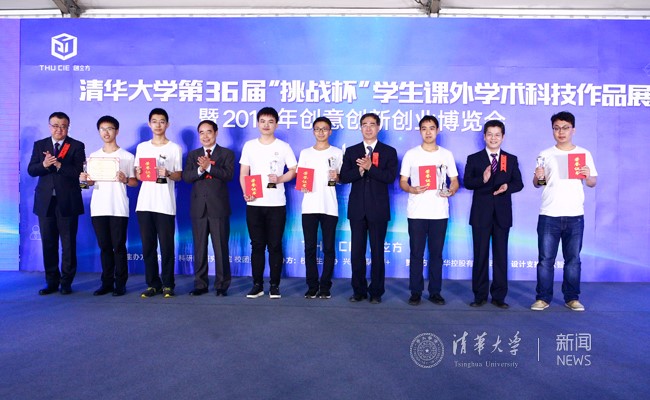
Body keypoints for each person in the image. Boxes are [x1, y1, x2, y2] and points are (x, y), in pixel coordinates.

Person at [531, 111, 597, 312]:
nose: (561, 132)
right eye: (557, 128)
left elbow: (592, 182)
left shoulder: (584, 154)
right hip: (549, 214)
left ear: (573, 130)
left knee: (573, 260)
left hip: (575, 215)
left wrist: (587, 175)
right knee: (545, 260)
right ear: (552, 130)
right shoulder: (545, 154)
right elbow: (538, 184)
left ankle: (572, 298)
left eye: (565, 128)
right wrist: (538, 176)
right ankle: (543, 298)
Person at [399, 115, 459, 306]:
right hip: (416, 212)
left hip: (439, 212)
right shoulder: (411, 154)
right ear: (420, 131)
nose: (428, 132)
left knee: (436, 254)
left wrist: (451, 190)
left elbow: (455, 180)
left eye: (431, 128)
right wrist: (412, 189)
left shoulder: (446, 154)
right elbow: (403, 181)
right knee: (416, 253)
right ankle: (415, 292)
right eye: (424, 128)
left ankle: (435, 292)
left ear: (437, 130)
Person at [464, 120, 523, 309]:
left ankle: (499, 296)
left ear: (503, 137)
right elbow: (467, 182)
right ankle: (479, 295)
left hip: (502, 215)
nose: (493, 138)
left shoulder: (510, 159)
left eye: (497, 134)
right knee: (480, 255)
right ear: (484, 136)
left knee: (500, 256)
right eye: (490, 134)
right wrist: (482, 179)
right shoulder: (474, 158)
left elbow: (519, 183)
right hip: (481, 214)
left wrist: (507, 187)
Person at [340, 112, 398, 304]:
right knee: (357, 252)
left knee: (377, 252)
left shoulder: (389, 151)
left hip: (378, 209)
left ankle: (376, 292)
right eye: (364, 124)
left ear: (378, 127)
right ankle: (358, 291)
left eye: (372, 124)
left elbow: (389, 177)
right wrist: (360, 170)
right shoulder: (352, 151)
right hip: (357, 209)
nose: (368, 128)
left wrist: (370, 167)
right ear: (360, 128)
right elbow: (344, 177)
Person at [239, 107, 297, 299]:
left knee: (275, 245)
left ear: (276, 125)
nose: (266, 125)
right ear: (257, 123)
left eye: (270, 121)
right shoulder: (249, 146)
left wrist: (280, 179)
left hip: (276, 204)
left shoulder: (284, 147)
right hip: (254, 203)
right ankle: (257, 285)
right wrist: (246, 192)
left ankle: (274, 285)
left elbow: (293, 170)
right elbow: (243, 173)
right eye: (262, 121)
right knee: (257, 245)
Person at [28, 111, 85, 295]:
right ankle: (51, 281)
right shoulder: (40, 145)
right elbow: (31, 170)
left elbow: (78, 172)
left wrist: (60, 166)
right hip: (45, 202)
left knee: (68, 244)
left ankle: (66, 282)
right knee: (48, 243)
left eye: (63, 126)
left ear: (68, 127)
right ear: (49, 126)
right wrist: (44, 165)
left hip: (68, 201)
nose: (59, 129)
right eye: (55, 126)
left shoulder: (76, 145)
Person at [80, 116, 138, 297]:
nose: (106, 132)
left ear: (117, 131)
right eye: (102, 129)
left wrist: (125, 179)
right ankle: (106, 282)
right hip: (98, 208)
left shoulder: (127, 156)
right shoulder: (93, 157)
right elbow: (88, 184)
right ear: (99, 132)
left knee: (119, 247)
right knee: (104, 247)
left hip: (118, 207)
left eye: (110, 128)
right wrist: (84, 181)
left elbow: (134, 182)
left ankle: (120, 283)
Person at [134, 108, 182, 298]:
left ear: (167, 124)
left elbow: (179, 175)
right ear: (149, 124)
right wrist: (139, 173)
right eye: (154, 121)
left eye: (162, 121)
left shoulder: (174, 148)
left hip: (165, 204)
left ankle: (168, 284)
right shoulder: (142, 147)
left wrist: (168, 173)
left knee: (167, 246)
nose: (158, 125)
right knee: (148, 247)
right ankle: (153, 284)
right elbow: (138, 175)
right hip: (145, 204)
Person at [182, 120, 234, 296]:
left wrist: (209, 167)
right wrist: (200, 170)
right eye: (201, 132)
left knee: (221, 248)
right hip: (199, 208)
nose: (205, 136)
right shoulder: (193, 155)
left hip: (218, 207)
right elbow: (187, 177)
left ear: (216, 133)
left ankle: (222, 285)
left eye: (209, 132)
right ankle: (200, 284)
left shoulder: (226, 153)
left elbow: (228, 175)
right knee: (199, 248)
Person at [297, 116, 343, 299]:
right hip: (309, 206)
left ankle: (325, 286)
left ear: (330, 132)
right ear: (313, 132)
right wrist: (303, 185)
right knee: (309, 248)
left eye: (324, 129)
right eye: (317, 129)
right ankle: (312, 285)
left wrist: (337, 177)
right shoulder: (305, 153)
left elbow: (342, 178)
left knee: (328, 248)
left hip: (329, 206)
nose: (321, 132)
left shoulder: (337, 153)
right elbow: (301, 178)